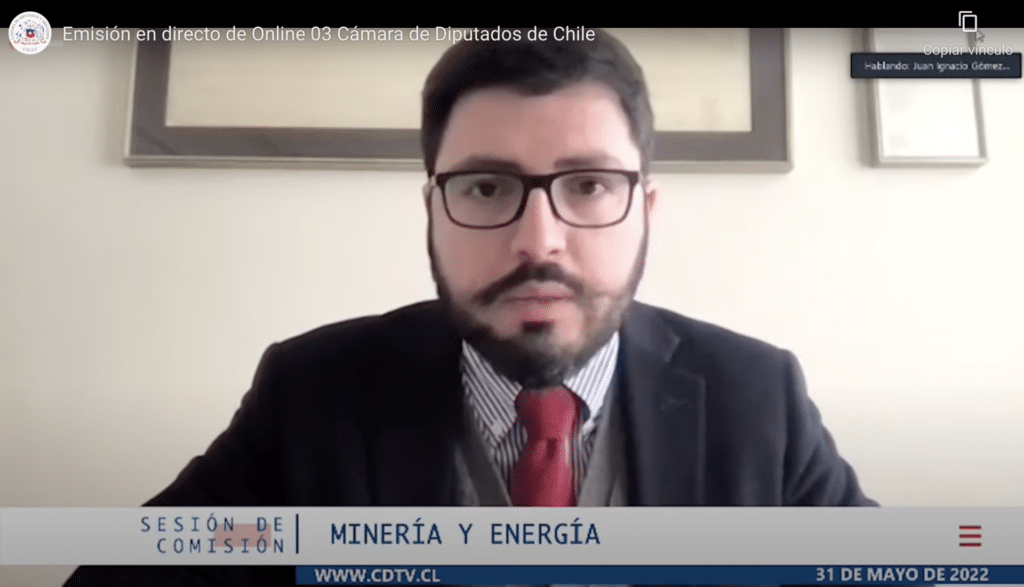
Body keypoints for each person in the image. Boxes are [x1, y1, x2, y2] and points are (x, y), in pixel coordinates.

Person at [65, 28, 876, 587]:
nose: (539, 240)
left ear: (646, 210)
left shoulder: (755, 398)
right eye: (486, 187)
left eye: (589, 185)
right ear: (432, 210)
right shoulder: (312, 393)